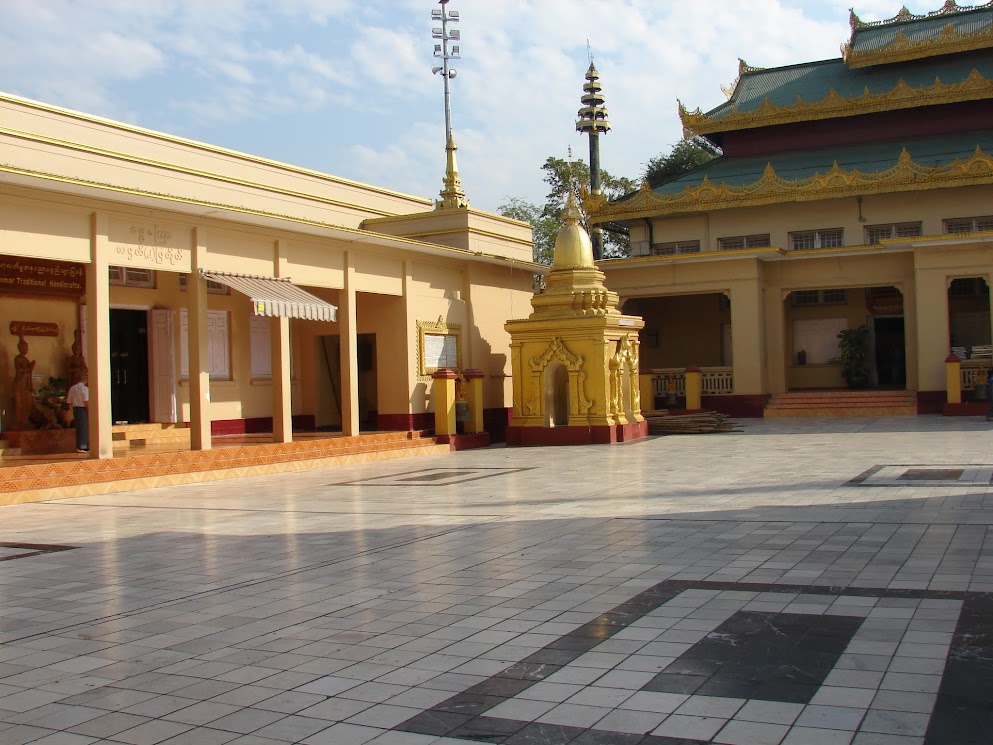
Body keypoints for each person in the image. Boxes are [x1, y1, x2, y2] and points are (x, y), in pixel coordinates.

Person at [66, 373, 89, 452]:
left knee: (79, 427)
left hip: (76, 409)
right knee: (84, 427)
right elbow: (86, 401)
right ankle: (83, 446)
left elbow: (69, 402)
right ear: (86, 379)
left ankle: (79, 445)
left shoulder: (72, 388)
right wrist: (89, 410)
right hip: (83, 409)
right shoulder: (84, 389)